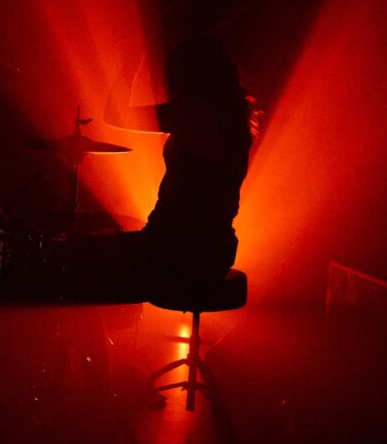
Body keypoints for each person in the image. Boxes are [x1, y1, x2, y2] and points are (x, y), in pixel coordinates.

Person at [70, 33, 255, 302]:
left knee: (79, 258)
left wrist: (128, 64)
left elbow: (115, 114)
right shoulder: (232, 118)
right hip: (213, 249)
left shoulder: (192, 114)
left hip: (177, 248)